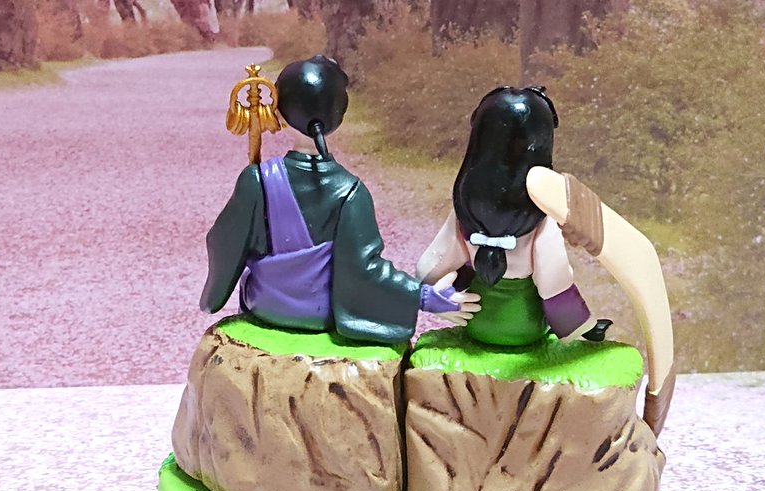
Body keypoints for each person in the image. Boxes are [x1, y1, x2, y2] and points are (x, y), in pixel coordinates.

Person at [201, 56, 478, 344]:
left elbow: (223, 241)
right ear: (338, 118)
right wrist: (422, 296)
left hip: (265, 306)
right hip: (321, 314)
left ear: (279, 115)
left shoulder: (256, 180)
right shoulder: (351, 192)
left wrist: (215, 293)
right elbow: (365, 269)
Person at [416, 86, 612, 347]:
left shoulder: (466, 208)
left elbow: (432, 265)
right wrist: (584, 326)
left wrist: (437, 297)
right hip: (524, 324)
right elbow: (554, 284)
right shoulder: (541, 218)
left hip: (478, 319)